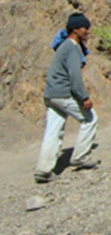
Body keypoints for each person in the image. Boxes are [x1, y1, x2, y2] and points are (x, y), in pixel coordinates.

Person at [35, 12, 99, 183]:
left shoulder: (64, 46)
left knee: (53, 131)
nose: (88, 31)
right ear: (75, 29)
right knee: (90, 119)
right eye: (85, 28)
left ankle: (43, 170)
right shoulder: (72, 47)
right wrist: (84, 97)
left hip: (51, 94)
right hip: (62, 94)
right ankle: (81, 157)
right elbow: (74, 77)